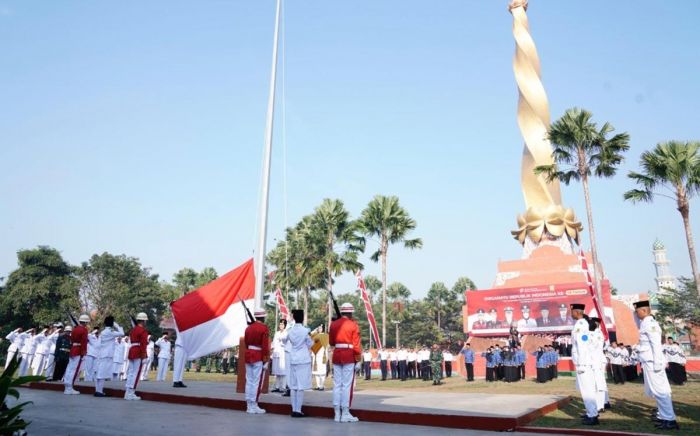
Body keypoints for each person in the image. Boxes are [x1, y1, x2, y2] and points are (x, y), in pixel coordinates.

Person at [634, 300, 680, 430]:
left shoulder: (650, 324)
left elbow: (656, 345)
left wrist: (658, 363)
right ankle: (665, 418)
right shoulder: (645, 323)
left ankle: (669, 420)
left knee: (661, 392)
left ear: (643, 311)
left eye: (637, 311)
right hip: (650, 361)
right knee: (659, 392)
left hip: (653, 362)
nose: (636, 314)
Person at [329, 302, 361, 423]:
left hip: (337, 354)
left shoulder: (333, 324)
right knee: (347, 385)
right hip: (349, 354)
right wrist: (358, 359)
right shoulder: (353, 325)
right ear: (351, 312)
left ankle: (337, 413)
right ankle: (345, 412)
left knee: (337, 385)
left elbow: (331, 342)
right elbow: (356, 345)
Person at [570, 303, 598, 425]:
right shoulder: (582, 324)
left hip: (583, 363)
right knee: (587, 389)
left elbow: (581, 345)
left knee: (587, 390)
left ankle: (592, 416)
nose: (571, 314)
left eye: (572, 311)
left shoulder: (581, 325)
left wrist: (581, 363)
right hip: (584, 362)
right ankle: (591, 413)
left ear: (577, 312)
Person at [286, 309, 313, 418]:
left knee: (293, 386)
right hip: (303, 359)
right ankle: (298, 410)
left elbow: (284, 340)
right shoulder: (305, 330)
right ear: (302, 318)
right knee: (300, 386)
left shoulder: (290, 330)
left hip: (293, 358)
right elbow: (310, 344)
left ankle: (294, 409)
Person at [244, 309, 270, 414]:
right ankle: (253, 405)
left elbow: (246, 343)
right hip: (258, 355)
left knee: (249, 381)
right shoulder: (264, 328)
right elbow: (265, 346)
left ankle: (248, 405)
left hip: (249, 354)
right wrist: (265, 359)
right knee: (255, 382)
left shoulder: (248, 328)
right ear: (263, 317)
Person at [94, 316, 124, 397]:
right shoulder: (110, 331)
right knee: (101, 373)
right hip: (106, 355)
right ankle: (99, 391)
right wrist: (117, 326)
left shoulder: (104, 331)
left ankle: (98, 390)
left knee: (101, 373)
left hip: (103, 354)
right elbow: (122, 333)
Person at [124, 313, 149, 400]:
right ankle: (131, 393)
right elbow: (143, 344)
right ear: (144, 320)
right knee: (136, 373)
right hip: (138, 351)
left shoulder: (133, 330)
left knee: (130, 372)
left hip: (132, 350)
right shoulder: (143, 331)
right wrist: (144, 356)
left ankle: (127, 392)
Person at [64, 314, 89, 395]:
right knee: (74, 370)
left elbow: (71, 340)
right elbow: (84, 342)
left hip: (73, 349)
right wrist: (83, 353)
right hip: (78, 350)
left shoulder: (75, 329)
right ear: (85, 322)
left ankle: (67, 386)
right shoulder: (84, 330)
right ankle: (69, 388)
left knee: (69, 369)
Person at [589, 317, 610, 412]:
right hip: (599, 360)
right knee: (601, 383)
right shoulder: (598, 333)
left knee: (598, 384)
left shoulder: (595, 334)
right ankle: (604, 402)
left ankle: (600, 405)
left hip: (596, 361)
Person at [271, 319, 288, 393]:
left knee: (283, 371)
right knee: (277, 371)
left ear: (285, 325)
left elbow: (287, 343)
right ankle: (277, 386)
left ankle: (283, 387)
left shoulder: (286, 333)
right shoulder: (277, 333)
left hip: (283, 354)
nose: (281, 326)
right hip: (276, 353)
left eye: (283, 324)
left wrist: (282, 341)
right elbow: (274, 343)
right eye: (280, 324)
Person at [311, 324, 329, 391]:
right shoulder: (315, 336)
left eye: (321, 328)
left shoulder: (325, 336)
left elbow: (327, 347)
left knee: (322, 372)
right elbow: (310, 336)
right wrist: (315, 330)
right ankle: (318, 385)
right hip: (316, 355)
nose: (320, 329)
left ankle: (322, 386)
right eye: (319, 328)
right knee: (317, 372)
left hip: (322, 356)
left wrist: (327, 356)